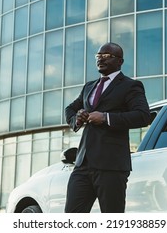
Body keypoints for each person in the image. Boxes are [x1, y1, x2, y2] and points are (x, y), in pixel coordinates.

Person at [64, 42, 151, 213]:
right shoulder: (89, 86)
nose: (100, 59)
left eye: (106, 56)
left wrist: (106, 117)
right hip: (83, 164)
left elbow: (143, 116)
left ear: (120, 61)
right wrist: (78, 118)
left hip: (111, 165)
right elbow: (70, 109)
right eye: (98, 55)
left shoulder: (130, 85)